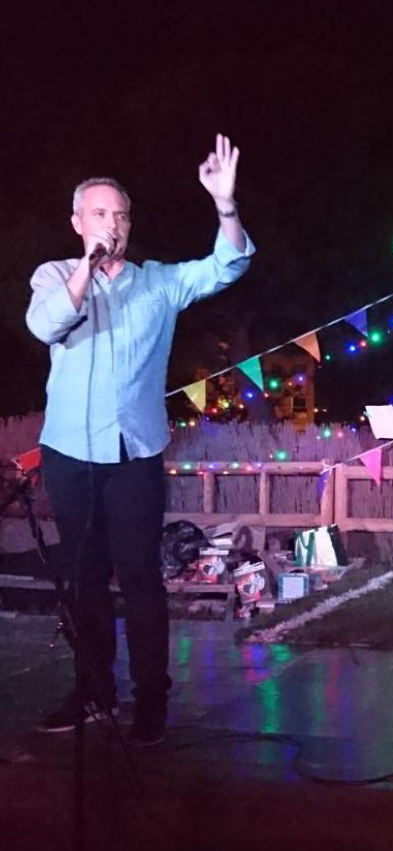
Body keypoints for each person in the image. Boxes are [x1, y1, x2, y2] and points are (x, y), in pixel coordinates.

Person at [26, 134, 255, 747]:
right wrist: (86, 267)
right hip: (70, 452)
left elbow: (228, 264)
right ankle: (94, 689)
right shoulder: (54, 276)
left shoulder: (159, 283)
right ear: (77, 222)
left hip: (134, 454)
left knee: (140, 577)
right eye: (100, 213)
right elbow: (45, 323)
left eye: (121, 215)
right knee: (84, 578)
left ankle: (152, 698)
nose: (113, 223)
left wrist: (225, 205)